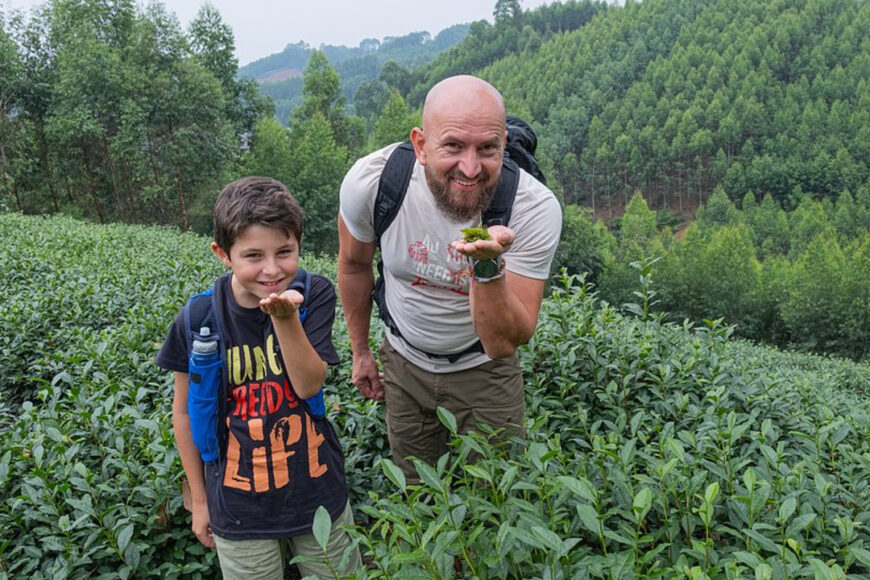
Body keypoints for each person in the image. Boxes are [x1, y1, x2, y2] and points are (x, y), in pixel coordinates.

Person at [337, 75, 562, 482]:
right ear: (421, 145)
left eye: (487, 149)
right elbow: (354, 266)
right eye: (454, 146)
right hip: (402, 363)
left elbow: (502, 343)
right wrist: (360, 352)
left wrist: (488, 267)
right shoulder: (372, 183)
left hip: (485, 372)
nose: (471, 168)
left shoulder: (533, 208)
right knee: (417, 489)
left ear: (504, 146)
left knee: (498, 495)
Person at [156, 176, 361, 579]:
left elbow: (308, 384)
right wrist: (200, 500)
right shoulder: (198, 319)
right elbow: (183, 414)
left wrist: (285, 318)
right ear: (223, 253)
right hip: (236, 505)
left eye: (285, 252)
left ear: (300, 245)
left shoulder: (313, 294)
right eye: (253, 255)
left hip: (318, 494)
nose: (272, 269)